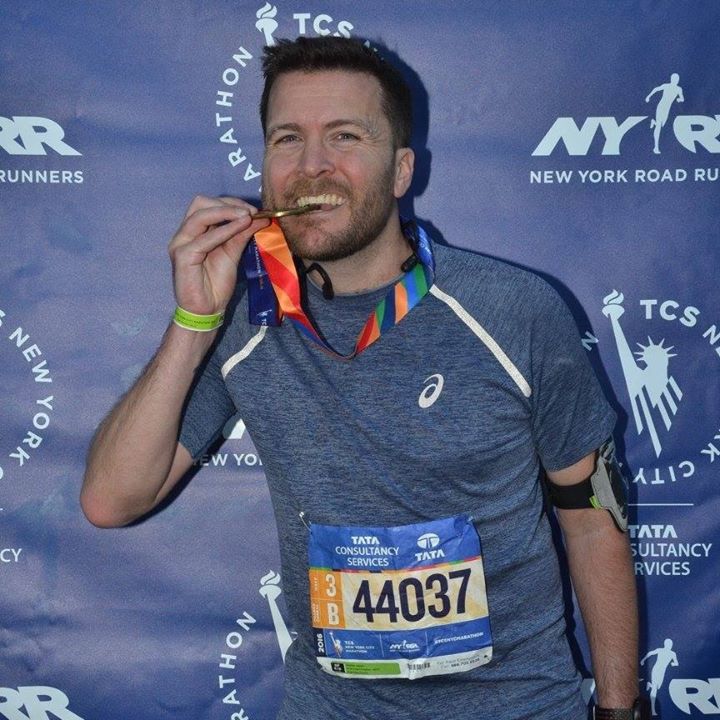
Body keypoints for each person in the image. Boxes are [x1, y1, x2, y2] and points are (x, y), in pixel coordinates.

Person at [81, 36, 642, 720]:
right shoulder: (246, 321)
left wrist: (620, 709)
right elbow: (111, 501)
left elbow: (591, 517)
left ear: (402, 170)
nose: (311, 165)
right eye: (287, 139)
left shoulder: (513, 309)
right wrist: (194, 319)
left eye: (345, 136)